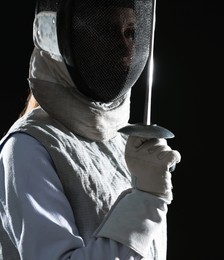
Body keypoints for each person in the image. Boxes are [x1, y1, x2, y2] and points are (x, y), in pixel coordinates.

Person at [0, 0, 181, 259]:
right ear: (63, 41)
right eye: (105, 31)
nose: (124, 47)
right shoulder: (28, 150)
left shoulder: (125, 145)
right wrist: (147, 199)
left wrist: (149, 195)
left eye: (130, 32)